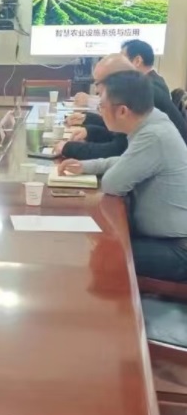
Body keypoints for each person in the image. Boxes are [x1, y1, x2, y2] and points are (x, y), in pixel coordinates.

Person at [58, 70, 187, 282]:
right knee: (100, 246)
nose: (100, 111)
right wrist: (86, 166)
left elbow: (112, 183)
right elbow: (128, 161)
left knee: (104, 253)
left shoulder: (153, 135)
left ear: (123, 111)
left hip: (177, 249)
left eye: (102, 106)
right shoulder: (152, 121)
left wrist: (96, 168)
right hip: (165, 238)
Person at [57, 52, 187, 159]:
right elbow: (118, 135)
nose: (96, 90)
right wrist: (89, 128)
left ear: (116, 80)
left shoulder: (141, 95)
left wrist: (68, 148)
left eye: (97, 83)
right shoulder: (136, 88)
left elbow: (118, 150)